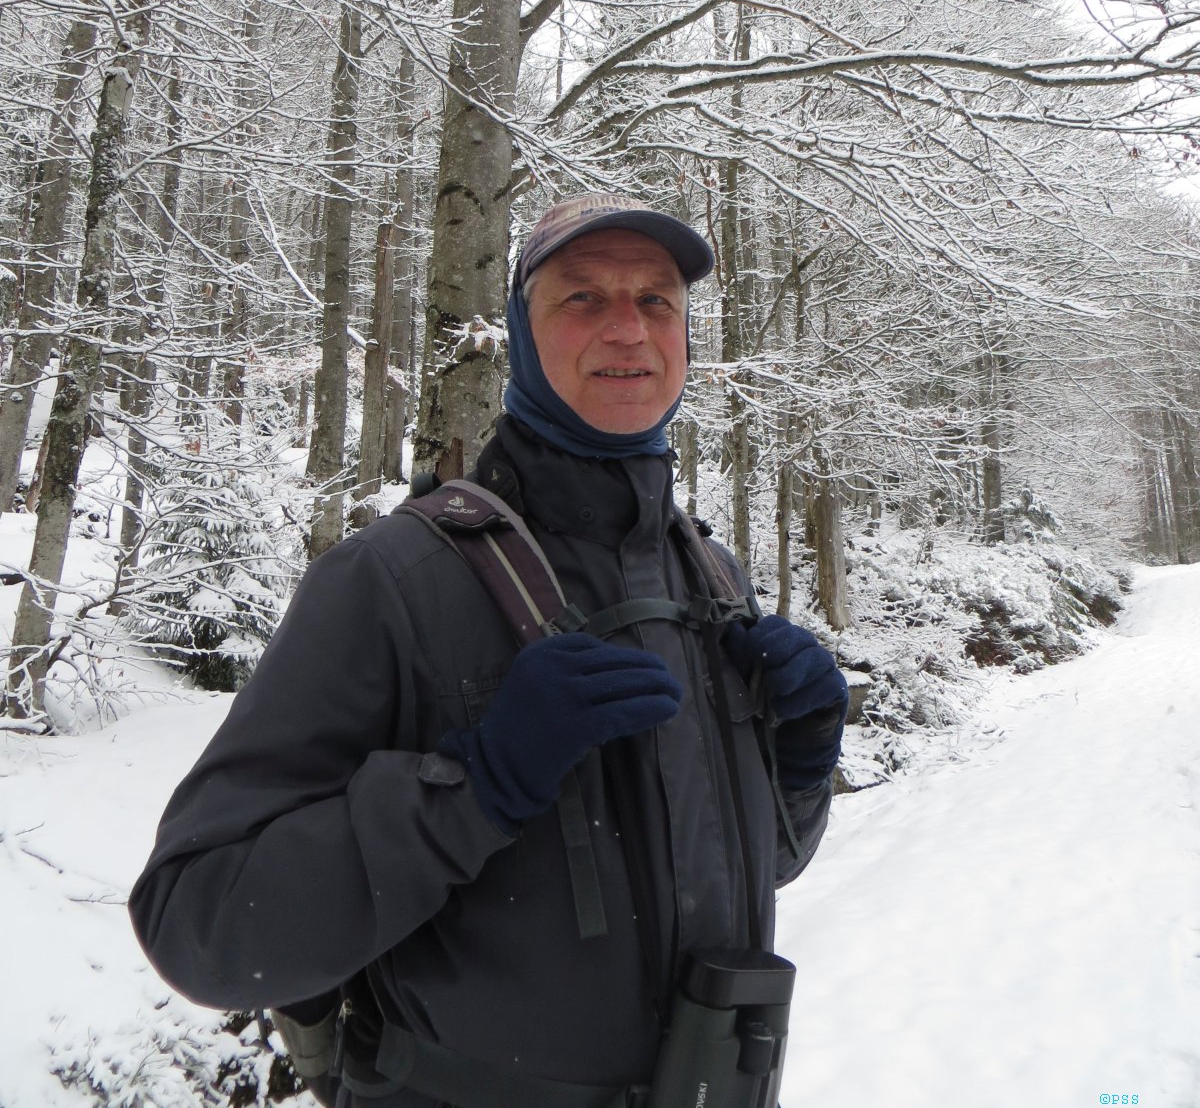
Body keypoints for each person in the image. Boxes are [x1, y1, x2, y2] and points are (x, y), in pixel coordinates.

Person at [129, 194, 848, 1107]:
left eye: (656, 300)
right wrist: (477, 788)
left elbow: (736, 874)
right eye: (582, 297)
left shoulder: (711, 578)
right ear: (521, 332)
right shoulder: (392, 579)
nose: (628, 329)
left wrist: (798, 769)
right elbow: (198, 924)